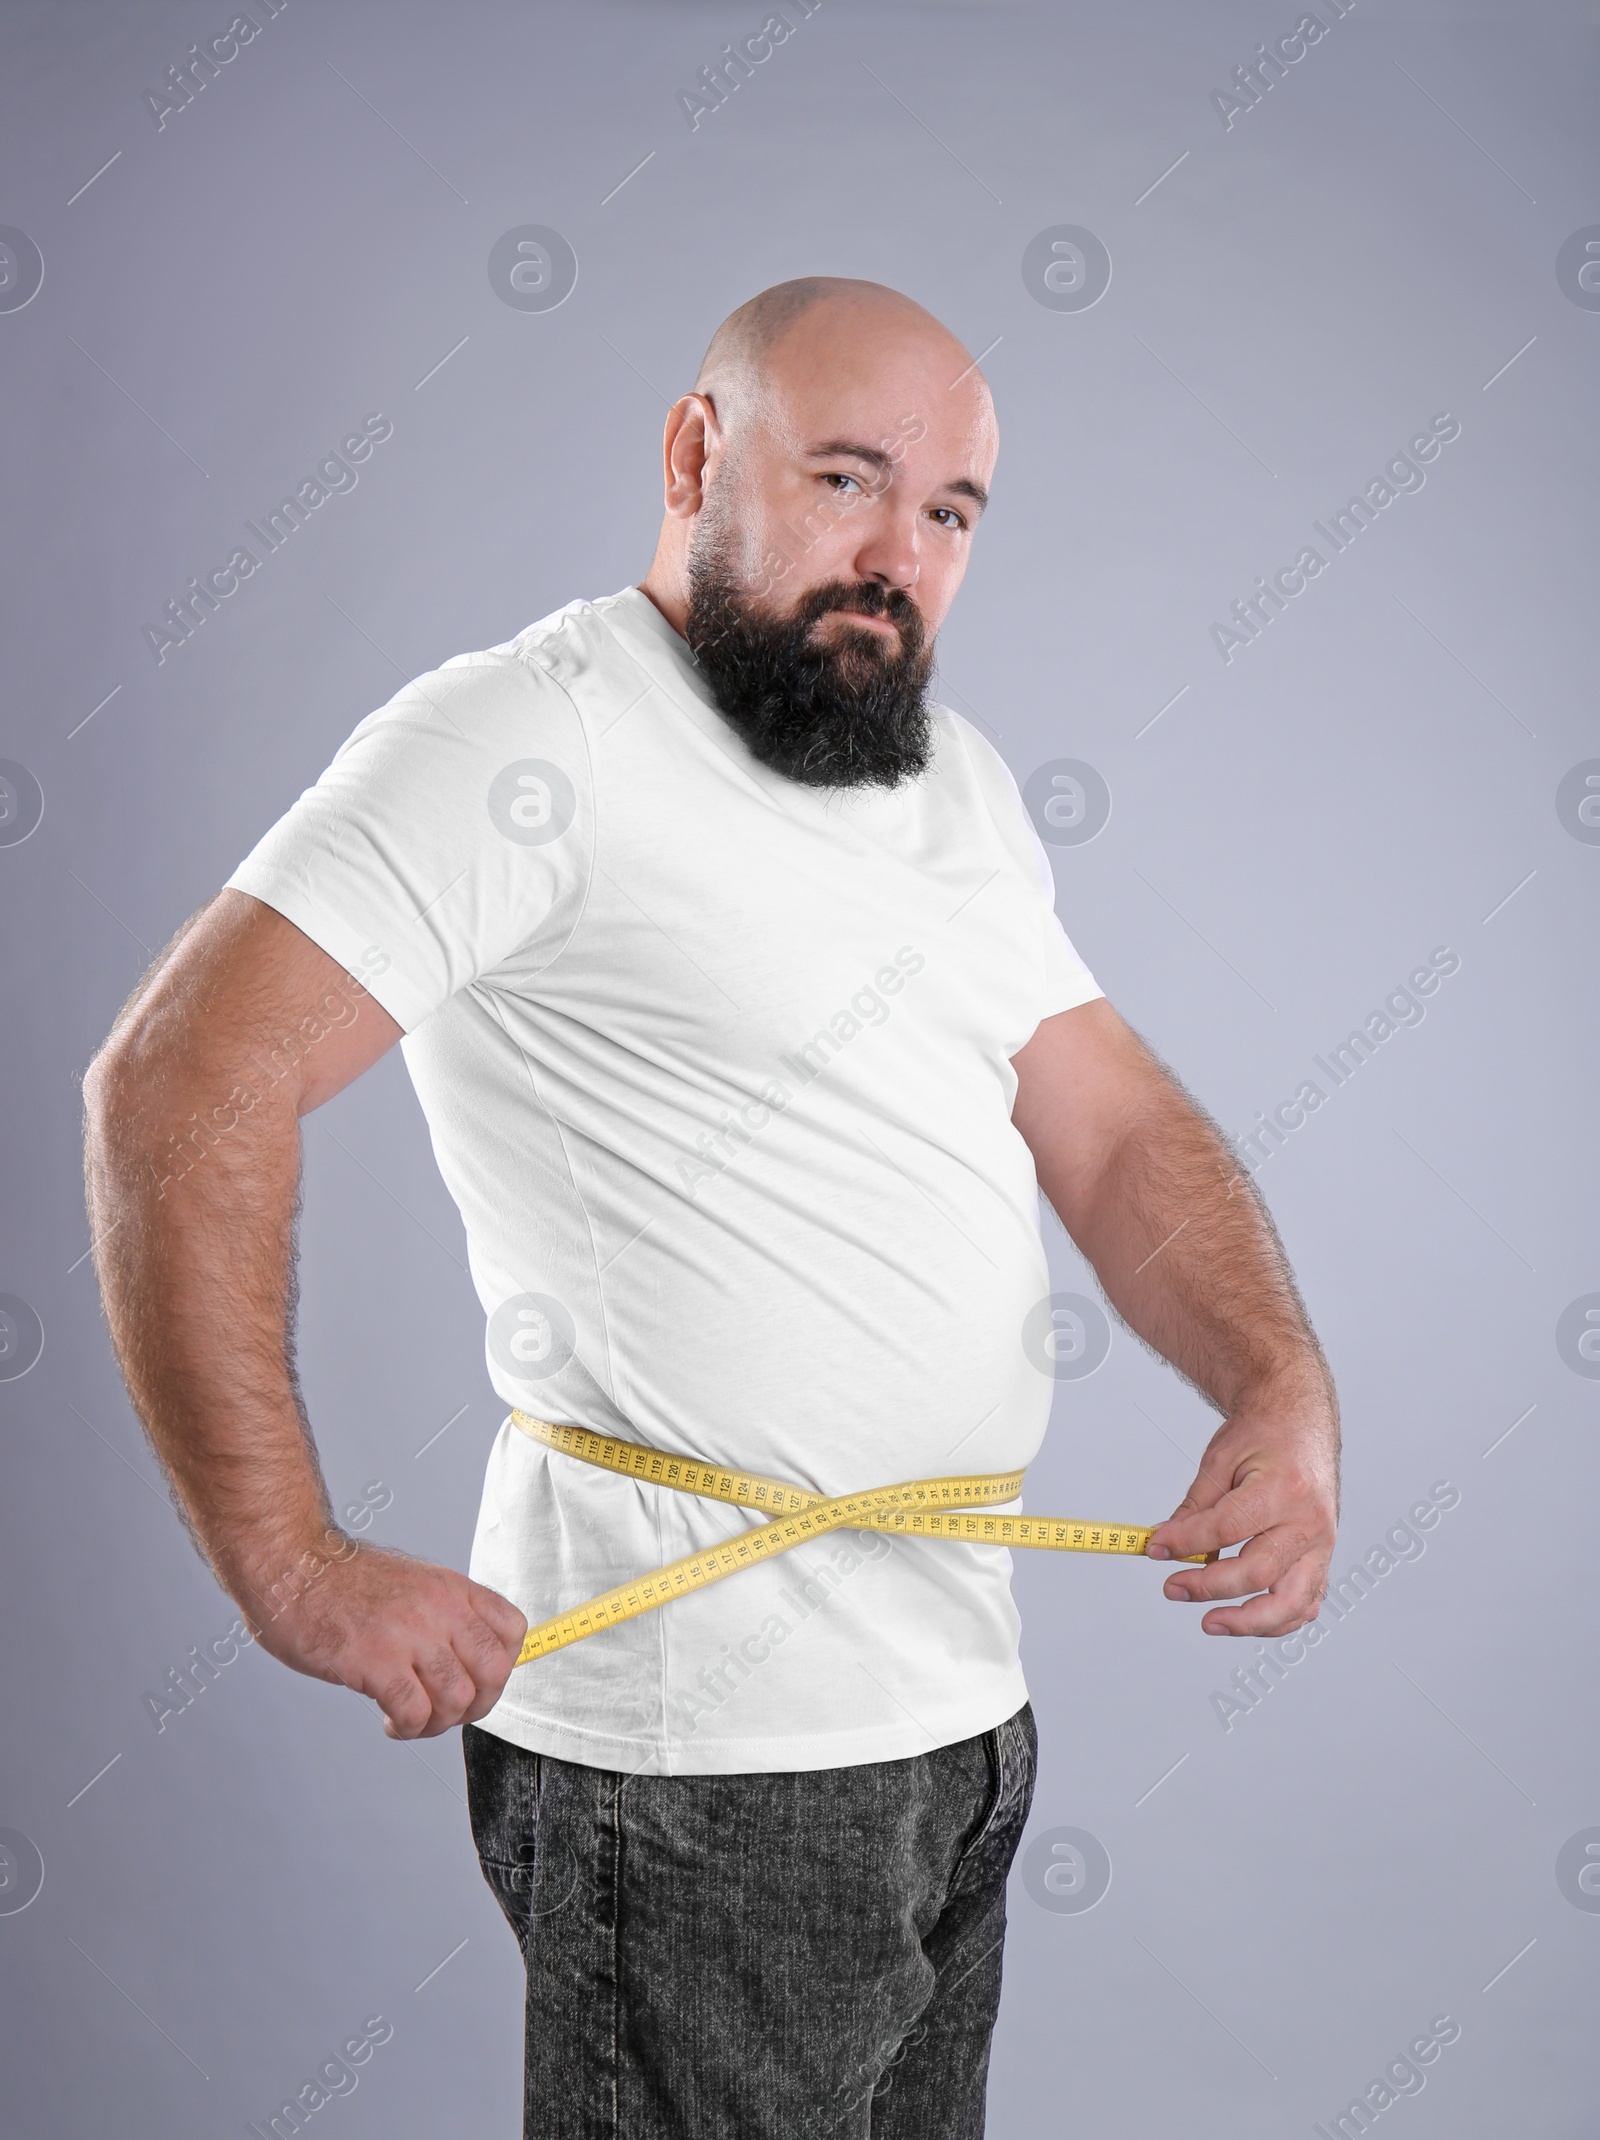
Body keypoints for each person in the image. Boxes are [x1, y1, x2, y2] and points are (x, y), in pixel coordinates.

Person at [83, 277, 1339, 2138]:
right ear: (694, 455)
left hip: (952, 1721)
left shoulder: (957, 790)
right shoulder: (529, 743)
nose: (898, 555)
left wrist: (1280, 1385)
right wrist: (291, 1561)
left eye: (951, 512)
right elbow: (178, 1086)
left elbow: (1113, 1125)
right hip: (701, 1770)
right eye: (848, 479)